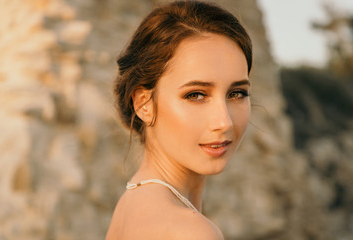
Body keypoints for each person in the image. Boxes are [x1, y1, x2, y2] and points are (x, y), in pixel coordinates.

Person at [106, 1, 252, 239]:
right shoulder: (190, 231)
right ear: (144, 104)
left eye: (236, 94)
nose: (224, 122)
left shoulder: (132, 205)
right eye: (196, 95)